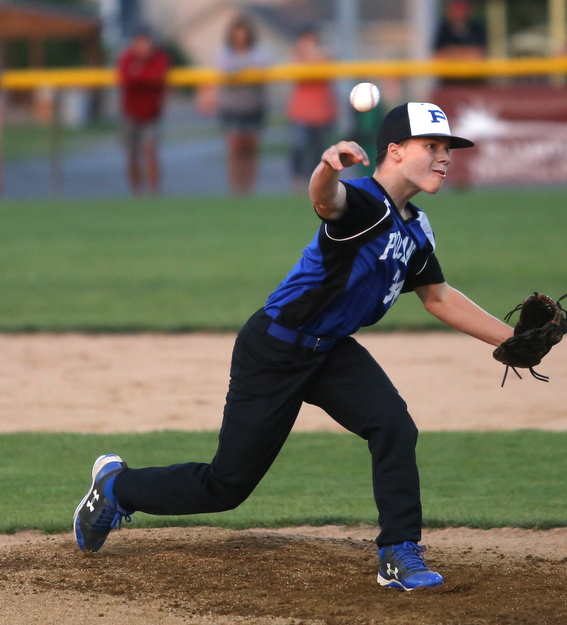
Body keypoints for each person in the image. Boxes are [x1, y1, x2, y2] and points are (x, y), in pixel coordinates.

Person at [74, 101, 513, 591]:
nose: (444, 157)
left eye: (448, 148)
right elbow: (327, 201)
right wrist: (326, 168)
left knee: (393, 426)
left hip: (330, 350)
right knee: (226, 487)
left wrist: (512, 340)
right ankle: (115, 489)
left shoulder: (416, 227)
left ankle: (398, 553)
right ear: (394, 150)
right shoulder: (364, 205)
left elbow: (439, 297)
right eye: (431, 146)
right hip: (275, 348)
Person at [216, 16, 270, 194]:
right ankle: (236, 189)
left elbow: (263, 66)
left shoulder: (259, 52)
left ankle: (249, 189)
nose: (240, 38)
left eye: (243, 34)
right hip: (232, 107)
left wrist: (242, 70)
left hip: (253, 106)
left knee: (251, 149)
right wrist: (246, 69)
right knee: (234, 148)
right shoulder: (225, 53)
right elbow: (226, 68)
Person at [117, 28, 170, 195]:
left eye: (146, 43)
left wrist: (139, 74)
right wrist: (144, 77)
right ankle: (136, 193)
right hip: (130, 114)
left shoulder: (160, 58)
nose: (144, 47)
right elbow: (126, 80)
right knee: (132, 155)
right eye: (140, 43)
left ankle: (153, 192)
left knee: (150, 150)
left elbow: (156, 77)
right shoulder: (127, 58)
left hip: (151, 115)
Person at [286, 28, 337, 192]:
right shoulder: (296, 55)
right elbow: (295, 69)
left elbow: (327, 61)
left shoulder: (325, 54)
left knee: (319, 151)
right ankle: (298, 182)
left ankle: (317, 183)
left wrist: (313, 55)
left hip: (321, 111)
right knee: (299, 147)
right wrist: (308, 55)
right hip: (301, 112)